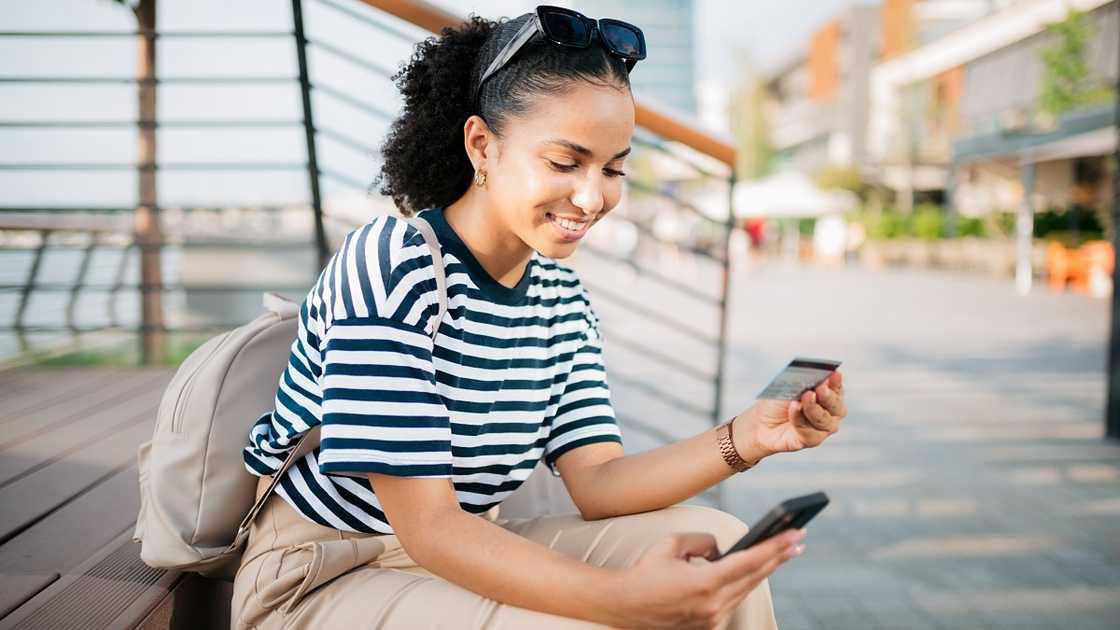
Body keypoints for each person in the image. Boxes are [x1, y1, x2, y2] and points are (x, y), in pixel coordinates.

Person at [232, 7, 848, 629]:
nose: (592, 196)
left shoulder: (561, 299)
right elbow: (427, 526)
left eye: (613, 169)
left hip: (464, 549)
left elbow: (599, 481)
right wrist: (621, 600)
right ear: (482, 145)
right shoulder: (392, 264)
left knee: (717, 541)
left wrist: (748, 436)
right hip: (327, 570)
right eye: (564, 162)